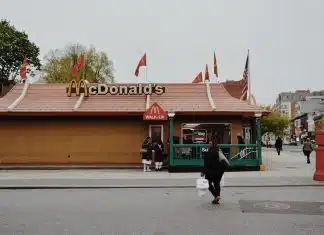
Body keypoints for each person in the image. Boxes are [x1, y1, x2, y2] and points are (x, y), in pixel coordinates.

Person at [201, 136, 229, 205]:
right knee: (216, 183)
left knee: (208, 183)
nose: (209, 145)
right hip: (219, 170)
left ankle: (216, 195)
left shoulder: (208, 152)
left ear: (212, 144)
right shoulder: (218, 150)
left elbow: (207, 163)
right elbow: (223, 159)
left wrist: (203, 171)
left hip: (210, 171)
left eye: (210, 143)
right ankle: (217, 198)